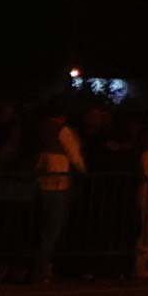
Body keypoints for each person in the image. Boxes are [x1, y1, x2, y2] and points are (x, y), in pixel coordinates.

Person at [32, 107, 88, 282]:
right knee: (53, 227)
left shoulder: (39, 129)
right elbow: (74, 155)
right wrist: (83, 171)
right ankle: (43, 268)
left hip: (43, 182)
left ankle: (42, 266)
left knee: (46, 227)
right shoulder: (61, 130)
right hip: (58, 183)